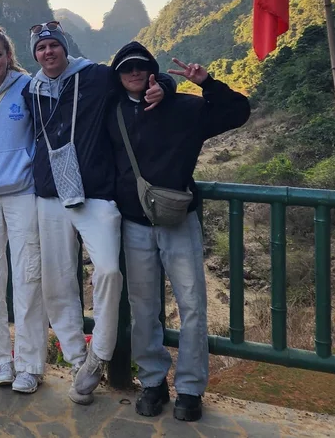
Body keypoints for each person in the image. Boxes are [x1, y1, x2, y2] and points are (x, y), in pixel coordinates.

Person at [23, 21, 174, 405]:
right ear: (34, 55)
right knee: (58, 281)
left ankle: (100, 354)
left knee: (108, 270)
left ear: (64, 47)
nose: (48, 53)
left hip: (95, 194)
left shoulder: (93, 76)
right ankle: (77, 361)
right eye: (40, 49)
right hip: (49, 194)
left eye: (53, 46)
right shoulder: (31, 88)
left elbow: (133, 78)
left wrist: (166, 85)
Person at [106, 42, 250, 422]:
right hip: (134, 224)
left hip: (179, 221)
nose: (134, 73)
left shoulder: (185, 108)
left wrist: (206, 83)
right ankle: (152, 382)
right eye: (126, 69)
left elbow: (238, 112)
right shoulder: (114, 113)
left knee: (192, 305)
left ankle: (189, 388)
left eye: (140, 66)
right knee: (143, 308)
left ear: (152, 69)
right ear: (118, 77)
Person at [0, 26, 49, 394]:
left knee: (28, 276)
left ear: (9, 54)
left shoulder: (29, 86)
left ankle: (31, 365)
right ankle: (2, 358)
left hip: (22, 193)